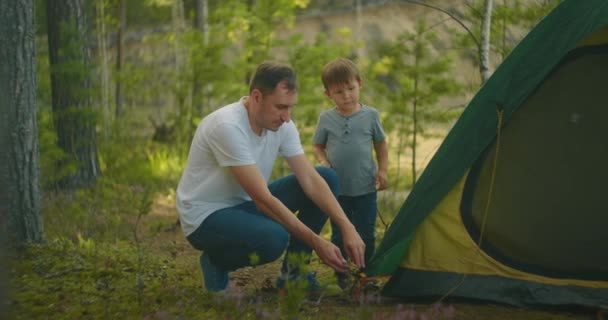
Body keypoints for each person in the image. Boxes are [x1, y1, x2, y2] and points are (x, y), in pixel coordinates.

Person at [175, 61, 366, 292]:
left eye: (290, 108)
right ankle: (216, 261)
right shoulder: (227, 126)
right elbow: (263, 200)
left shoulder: (283, 125)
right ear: (256, 97)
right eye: (280, 107)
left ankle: (294, 276)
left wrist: (347, 226)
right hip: (206, 217)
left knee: (325, 177)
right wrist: (317, 242)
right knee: (273, 239)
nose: (287, 117)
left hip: (245, 205)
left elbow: (310, 181)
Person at [312, 58, 388, 288]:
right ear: (328, 94)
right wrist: (323, 160)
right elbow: (317, 146)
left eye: (351, 89)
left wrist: (383, 170)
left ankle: (366, 275)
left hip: (366, 187)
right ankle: (342, 275)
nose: (346, 95)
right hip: (337, 191)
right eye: (339, 91)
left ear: (360, 84)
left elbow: (381, 144)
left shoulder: (371, 115)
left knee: (366, 232)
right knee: (338, 234)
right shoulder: (326, 119)